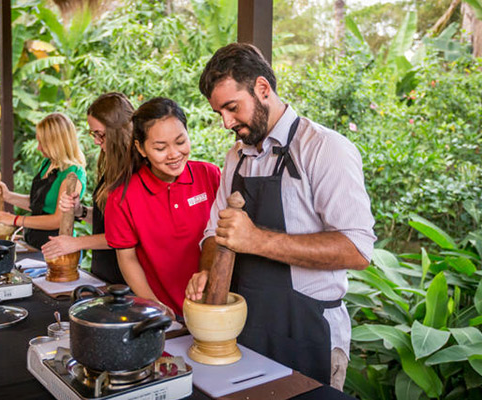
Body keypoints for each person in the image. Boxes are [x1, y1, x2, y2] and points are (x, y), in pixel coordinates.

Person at [185, 43, 376, 390]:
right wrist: (206, 270)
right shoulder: (236, 158)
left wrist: (256, 240)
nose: (227, 122)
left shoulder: (324, 148)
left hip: (307, 331)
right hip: (247, 329)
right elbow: (214, 232)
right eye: (219, 114)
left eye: (232, 108)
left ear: (262, 89)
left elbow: (357, 249)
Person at [104, 97, 221, 318]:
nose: (174, 154)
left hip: (213, 309)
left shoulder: (210, 175)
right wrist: (154, 306)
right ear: (141, 148)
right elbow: (127, 258)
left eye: (180, 142)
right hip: (163, 316)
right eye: (160, 147)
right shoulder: (122, 197)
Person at [41, 93, 134, 284]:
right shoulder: (112, 165)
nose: (96, 141)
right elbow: (108, 220)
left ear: (119, 129)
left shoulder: (137, 171)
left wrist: (75, 243)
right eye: (94, 134)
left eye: (100, 134)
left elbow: (126, 235)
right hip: (104, 273)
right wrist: (80, 211)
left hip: (127, 280)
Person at [0, 112, 87, 249]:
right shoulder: (47, 164)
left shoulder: (73, 174)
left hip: (57, 248)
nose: (38, 147)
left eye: (43, 143)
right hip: (35, 243)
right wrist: (8, 196)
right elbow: (39, 204)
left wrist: (15, 220)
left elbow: (59, 220)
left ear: (56, 143)